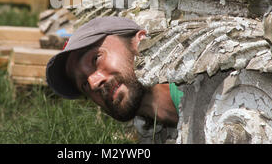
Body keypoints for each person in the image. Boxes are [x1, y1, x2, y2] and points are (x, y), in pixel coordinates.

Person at [46, 16, 183, 133]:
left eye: (96, 59)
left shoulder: (200, 94)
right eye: (84, 84)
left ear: (140, 42)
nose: (94, 84)